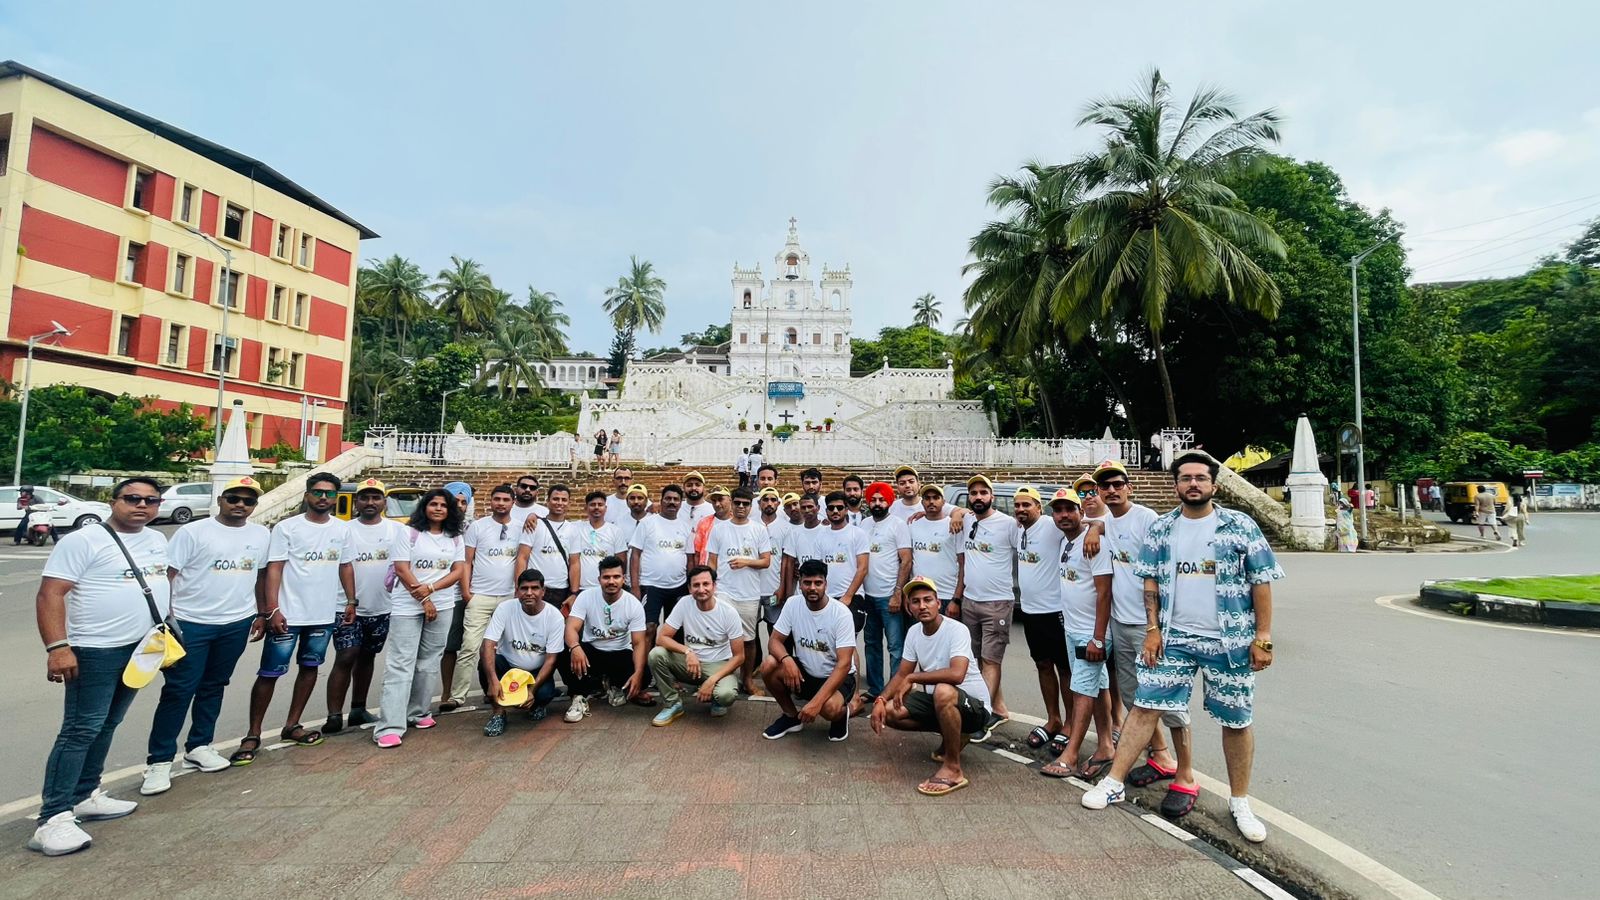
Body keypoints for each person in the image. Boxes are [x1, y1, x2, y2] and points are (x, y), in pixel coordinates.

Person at [1081, 451, 1284, 845]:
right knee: (1145, 705)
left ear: (1214, 485)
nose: (1193, 484)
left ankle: (1240, 801)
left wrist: (1263, 637)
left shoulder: (1240, 526)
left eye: (1200, 478)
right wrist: (1152, 629)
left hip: (1229, 640)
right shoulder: (1163, 529)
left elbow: (1261, 581)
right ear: (1175, 485)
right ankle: (1114, 781)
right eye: (1186, 478)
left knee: (1236, 720)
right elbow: (1150, 581)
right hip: (1175, 637)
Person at [30, 477, 169, 856]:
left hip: (141, 648)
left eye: (151, 500)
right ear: (113, 501)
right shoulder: (83, 540)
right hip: (94, 649)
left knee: (108, 723)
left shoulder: (157, 540)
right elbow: (50, 594)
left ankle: (85, 794)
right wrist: (58, 647)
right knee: (81, 729)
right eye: (133, 498)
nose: (142, 506)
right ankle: (52, 818)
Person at [140, 476, 269, 796]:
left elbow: (260, 576)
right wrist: (166, 619)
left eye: (248, 501)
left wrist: (261, 613)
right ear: (220, 500)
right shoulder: (193, 532)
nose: (240, 505)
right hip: (190, 623)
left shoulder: (261, 534)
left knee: (214, 685)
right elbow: (168, 576)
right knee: (179, 690)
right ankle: (159, 761)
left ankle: (199, 745)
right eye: (234, 498)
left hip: (236, 622)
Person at [236, 473, 356, 764]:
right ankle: (253, 733)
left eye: (329, 493)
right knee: (270, 673)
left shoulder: (342, 529)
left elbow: (345, 566)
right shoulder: (287, 528)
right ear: (307, 495)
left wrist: (351, 601)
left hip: (323, 614)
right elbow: (274, 568)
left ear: (336, 497)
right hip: (288, 614)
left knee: (310, 668)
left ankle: (292, 725)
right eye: (318, 492)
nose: (323, 497)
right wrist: (272, 609)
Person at [1095, 460, 1186, 811]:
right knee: (1135, 696)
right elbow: (1096, 522)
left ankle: (1184, 770)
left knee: (1167, 698)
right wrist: (1094, 529)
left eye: (1117, 484)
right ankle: (1160, 754)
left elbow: (1165, 567)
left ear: (1129, 487)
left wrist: (1156, 626)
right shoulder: (1108, 521)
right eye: (1105, 486)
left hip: (1150, 624)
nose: (1112, 490)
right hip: (1121, 620)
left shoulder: (1147, 518)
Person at [870, 577, 992, 797]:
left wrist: (914, 677)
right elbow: (902, 674)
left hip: (975, 709)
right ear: (909, 607)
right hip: (940, 702)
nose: (922, 606)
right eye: (915, 601)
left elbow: (957, 674)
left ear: (938, 603)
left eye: (928, 600)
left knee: (943, 690)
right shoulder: (914, 632)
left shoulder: (957, 629)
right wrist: (880, 699)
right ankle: (955, 735)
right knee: (889, 711)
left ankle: (953, 769)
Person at [374, 488, 466, 749]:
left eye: (443, 505)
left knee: (429, 660)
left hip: (442, 603)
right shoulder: (409, 533)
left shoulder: (454, 537)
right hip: (408, 605)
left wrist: (432, 590)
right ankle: (389, 726)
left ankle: (418, 711)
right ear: (425, 507)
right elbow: (402, 569)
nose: (438, 509)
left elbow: (458, 570)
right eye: (433, 504)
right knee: (401, 663)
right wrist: (424, 599)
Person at [1039, 488, 1116, 780]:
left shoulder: (1095, 543)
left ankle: (1070, 755)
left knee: (1082, 690)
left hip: (1091, 633)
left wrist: (1098, 637)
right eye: (1057, 511)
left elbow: (1104, 593)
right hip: (1073, 628)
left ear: (1081, 512)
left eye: (1069, 509)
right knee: (1099, 686)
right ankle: (1106, 746)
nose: (1063, 515)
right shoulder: (1066, 541)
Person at [326, 478, 402, 734]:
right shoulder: (343, 530)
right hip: (347, 606)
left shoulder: (397, 530)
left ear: (384, 502)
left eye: (376, 497)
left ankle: (358, 707)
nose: (370, 502)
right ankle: (334, 714)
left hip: (382, 606)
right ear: (356, 502)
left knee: (368, 656)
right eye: (365, 498)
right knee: (346, 656)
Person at [444, 484, 523, 712]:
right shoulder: (478, 527)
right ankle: (457, 696)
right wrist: (466, 592)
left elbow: (523, 559)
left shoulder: (521, 527)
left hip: (508, 596)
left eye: (506, 500)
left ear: (513, 502)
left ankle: (506, 689)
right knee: (469, 646)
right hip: (480, 595)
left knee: (506, 648)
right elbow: (466, 561)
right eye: (497, 499)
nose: (501, 503)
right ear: (491, 501)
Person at [949, 475, 1017, 737]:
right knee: (977, 660)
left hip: (997, 602)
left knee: (991, 660)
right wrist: (956, 512)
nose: (978, 497)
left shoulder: (1007, 524)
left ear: (992, 496)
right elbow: (944, 508)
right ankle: (998, 708)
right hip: (970, 601)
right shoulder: (966, 520)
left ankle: (982, 717)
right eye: (973, 493)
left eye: (983, 492)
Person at [758, 559, 856, 742]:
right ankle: (791, 717)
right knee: (769, 664)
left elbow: (844, 665)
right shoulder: (793, 604)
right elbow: (774, 641)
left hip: (837, 677)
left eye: (818, 583)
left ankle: (842, 714)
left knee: (829, 709)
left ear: (826, 584)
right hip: (806, 672)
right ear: (800, 584)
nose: (812, 588)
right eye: (807, 583)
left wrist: (816, 704)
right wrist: (787, 660)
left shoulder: (841, 614)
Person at [1011, 486, 1072, 754]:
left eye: (1027, 505)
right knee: (1043, 665)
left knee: (1065, 669)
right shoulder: (1018, 529)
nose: (1021, 510)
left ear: (1038, 507)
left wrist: (1095, 529)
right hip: (1029, 611)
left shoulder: (1051, 525)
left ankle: (1070, 724)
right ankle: (1053, 719)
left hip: (1055, 610)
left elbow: (1086, 522)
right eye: (1018, 505)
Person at [649, 565, 746, 724]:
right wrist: (688, 651)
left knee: (725, 695)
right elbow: (662, 638)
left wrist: (711, 681)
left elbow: (739, 657)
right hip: (690, 664)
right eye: (696, 585)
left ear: (714, 586)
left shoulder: (728, 612)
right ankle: (672, 704)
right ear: (689, 588)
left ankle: (716, 698)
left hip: (718, 665)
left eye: (706, 584)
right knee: (656, 654)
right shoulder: (684, 603)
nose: (701, 589)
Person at [560, 555, 649, 721]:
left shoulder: (633, 604)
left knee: (644, 675)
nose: (611, 581)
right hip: (592, 653)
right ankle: (578, 697)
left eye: (616, 577)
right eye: (606, 577)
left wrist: (638, 673)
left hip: (620, 653)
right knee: (564, 649)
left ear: (623, 579)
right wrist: (575, 647)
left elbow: (638, 643)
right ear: (599, 579)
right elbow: (571, 627)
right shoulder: (586, 597)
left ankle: (614, 685)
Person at [480, 569, 565, 736]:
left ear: (543, 591)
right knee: (487, 663)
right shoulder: (504, 608)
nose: (529, 593)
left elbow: (551, 660)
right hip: (508, 669)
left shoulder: (554, 616)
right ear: (517, 590)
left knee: (545, 694)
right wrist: (492, 680)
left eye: (535, 588)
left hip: (535, 673)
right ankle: (498, 713)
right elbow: (487, 645)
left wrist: (531, 691)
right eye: (524, 588)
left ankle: (536, 704)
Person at [705, 487, 772, 694]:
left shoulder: (759, 529)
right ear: (731, 504)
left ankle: (747, 680)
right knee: (721, 637)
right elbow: (712, 561)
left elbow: (766, 561)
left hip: (749, 594)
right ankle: (721, 679)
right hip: (724, 592)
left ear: (751, 506)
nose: (741, 507)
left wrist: (746, 562)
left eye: (745, 504)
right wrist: (711, 586)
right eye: (737, 503)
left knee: (748, 639)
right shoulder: (719, 529)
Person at [856, 481, 911, 710]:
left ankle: (895, 691)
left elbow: (906, 560)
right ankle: (876, 688)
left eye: (882, 500)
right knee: (871, 644)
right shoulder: (864, 524)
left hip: (889, 596)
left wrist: (898, 593)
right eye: (873, 500)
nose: (877, 503)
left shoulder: (898, 525)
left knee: (895, 647)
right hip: (867, 596)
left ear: (889, 501)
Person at [628, 484, 694, 640]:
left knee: (675, 630)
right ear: (661, 500)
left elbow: (690, 559)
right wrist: (635, 587)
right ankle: (645, 657)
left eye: (676, 499)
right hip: (650, 585)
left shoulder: (686, 527)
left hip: (678, 586)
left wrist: (690, 587)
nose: (672, 502)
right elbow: (635, 555)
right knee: (648, 628)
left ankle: (670, 657)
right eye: (668, 498)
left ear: (681, 503)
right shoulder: (647, 523)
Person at [515, 484, 579, 611]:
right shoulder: (533, 524)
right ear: (548, 501)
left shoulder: (573, 529)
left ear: (569, 503)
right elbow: (522, 557)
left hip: (560, 589)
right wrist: (519, 587)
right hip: (534, 587)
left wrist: (574, 593)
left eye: (564, 500)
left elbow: (575, 563)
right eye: (555, 499)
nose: (559, 503)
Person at [817, 490, 870, 632]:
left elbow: (863, 568)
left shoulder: (858, 534)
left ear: (846, 510)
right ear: (826, 511)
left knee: (848, 640)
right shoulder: (820, 535)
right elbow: (819, 568)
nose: (835, 511)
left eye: (839, 507)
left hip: (852, 596)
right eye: (831, 508)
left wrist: (848, 596)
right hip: (826, 597)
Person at [908, 483, 964, 608]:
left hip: (947, 594)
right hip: (919, 594)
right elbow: (908, 561)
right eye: (927, 498)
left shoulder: (954, 525)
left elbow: (963, 564)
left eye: (936, 498)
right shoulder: (913, 525)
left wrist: (956, 598)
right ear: (922, 502)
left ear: (943, 502)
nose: (931, 501)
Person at [572, 491, 629, 591]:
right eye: (592, 505)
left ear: (605, 508)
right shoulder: (576, 528)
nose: (596, 507)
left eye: (600, 505)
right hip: (582, 588)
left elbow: (621, 560)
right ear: (586, 508)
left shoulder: (615, 531)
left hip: (607, 587)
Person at [693, 485, 732, 564]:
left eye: (720, 499)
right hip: (707, 569)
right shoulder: (704, 523)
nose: (717, 504)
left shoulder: (738, 522)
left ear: (730, 500)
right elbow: (697, 553)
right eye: (714, 501)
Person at [614, 483, 652, 551]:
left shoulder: (653, 520)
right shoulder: (619, 522)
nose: (636, 501)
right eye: (632, 498)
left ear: (646, 501)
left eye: (640, 498)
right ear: (627, 501)